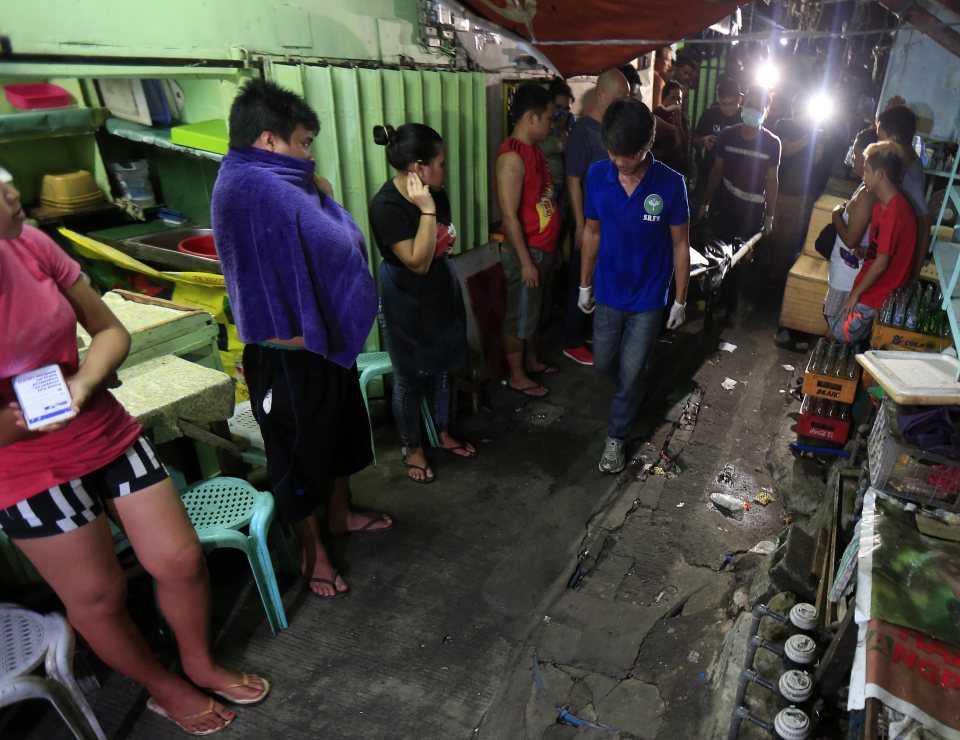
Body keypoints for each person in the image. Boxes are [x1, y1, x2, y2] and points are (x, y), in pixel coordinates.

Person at [0, 170, 268, 736]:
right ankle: (163, 687)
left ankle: (197, 661)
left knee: (180, 559)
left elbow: (108, 331)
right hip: (21, 464)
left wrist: (85, 383)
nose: (9, 190)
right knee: (99, 596)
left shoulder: (30, 243)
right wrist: (14, 425)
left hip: (96, 422)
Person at [211, 79, 393, 601]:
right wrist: (327, 198)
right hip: (284, 358)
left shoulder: (270, 181)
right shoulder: (252, 185)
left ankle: (342, 514)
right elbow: (342, 241)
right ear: (269, 141)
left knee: (338, 439)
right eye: (303, 142)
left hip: (318, 350)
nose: (308, 156)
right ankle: (315, 554)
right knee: (298, 460)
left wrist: (321, 195)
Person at [578, 99, 691, 474]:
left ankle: (616, 437)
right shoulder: (598, 175)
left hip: (647, 298)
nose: (620, 162)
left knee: (630, 371)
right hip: (608, 291)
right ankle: (632, 391)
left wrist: (680, 299)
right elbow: (592, 232)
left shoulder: (671, 185)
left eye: (628, 155)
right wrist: (584, 284)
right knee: (604, 364)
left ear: (647, 146)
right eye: (613, 153)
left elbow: (679, 244)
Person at [368, 123, 476, 484]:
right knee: (409, 377)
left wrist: (432, 208)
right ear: (418, 167)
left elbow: (443, 243)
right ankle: (412, 447)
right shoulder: (386, 206)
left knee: (443, 367)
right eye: (440, 163)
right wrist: (427, 211)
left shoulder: (436, 190)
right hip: (405, 293)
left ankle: (443, 432)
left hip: (438, 288)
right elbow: (417, 261)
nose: (444, 170)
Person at [495, 83, 562, 398]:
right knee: (518, 317)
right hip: (528, 254)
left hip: (542, 249)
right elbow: (509, 217)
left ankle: (531, 362)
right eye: (549, 117)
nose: (553, 122)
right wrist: (525, 262)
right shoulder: (512, 158)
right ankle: (517, 374)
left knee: (532, 313)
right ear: (531, 117)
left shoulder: (535, 150)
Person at [563, 68, 630, 366]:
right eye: (619, 98)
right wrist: (579, 224)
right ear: (601, 94)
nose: (622, 104)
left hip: (609, 223)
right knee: (581, 278)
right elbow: (573, 180)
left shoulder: (607, 129)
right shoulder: (582, 132)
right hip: (588, 223)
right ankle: (571, 341)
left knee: (599, 278)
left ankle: (586, 332)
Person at [699, 87, 781, 318]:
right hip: (725, 206)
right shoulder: (727, 135)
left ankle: (730, 305)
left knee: (739, 260)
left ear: (766, 111)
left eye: (759, 106)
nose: (753, 110)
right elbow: (717, 171)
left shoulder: (772, 143)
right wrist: (705, 204)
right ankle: (712, 298)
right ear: (743, 104)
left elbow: (773, 181)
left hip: (751, 213)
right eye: (751, 104)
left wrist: (769, 216)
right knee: (717, 253)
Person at [830, 141, 918, 344]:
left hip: (876, 294)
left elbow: (882, 263)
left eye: (867, 171)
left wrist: (855, 296)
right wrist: (867, 250)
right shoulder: (883, 205)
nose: (863, 175)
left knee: (835, 335)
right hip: (871, 289)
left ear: (880, 174)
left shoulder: (894, 211)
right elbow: (886, 250)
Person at [823, 127, 878, 326]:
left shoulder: (867, 195)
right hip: (845, 271)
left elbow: (851, 239)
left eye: (855, 153)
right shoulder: (865, 187)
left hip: (848, 276)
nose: (852, 159)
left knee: (835, 327)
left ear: (866, 156)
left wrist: (836, 213)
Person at [876, 103, 931, 282]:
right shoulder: (901, 160)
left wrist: (914, 273)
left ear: (895, 137)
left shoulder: (911, 175)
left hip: (895, 262)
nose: (878, 143)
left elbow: (924, 225)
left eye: (880, 138)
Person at [692, 77, 743, 204]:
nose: (726, 108)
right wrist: (703, 141)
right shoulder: (710, 114)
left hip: (737, 177)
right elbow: (694, 139)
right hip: (708, 172)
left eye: (731, 104)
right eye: (722, 104)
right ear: (718, 99)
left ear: (739, 99)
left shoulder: (746, 117)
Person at [653, 80, 689, 175]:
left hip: (676, 169)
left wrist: (678, 124)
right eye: (673, 98)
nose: (677, 103)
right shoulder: (658, 113)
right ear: (664, 99)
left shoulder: (681, 118)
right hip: (659, 167)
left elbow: (683, 146)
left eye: (679, 99)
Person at [652, 47, 673, 113]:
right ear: (656, 59)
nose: (670, 65)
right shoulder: (658, 81)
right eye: (667, 60)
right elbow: (656, 113)